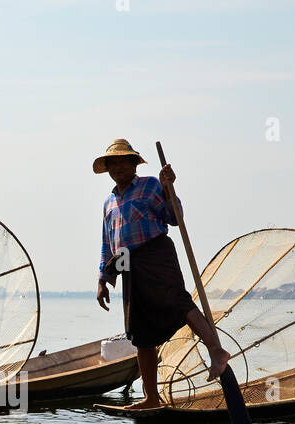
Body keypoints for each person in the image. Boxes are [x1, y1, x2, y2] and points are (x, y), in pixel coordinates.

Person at [93, 138, 229, 410]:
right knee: (140, 331)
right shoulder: (108, 203)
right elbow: (108, 243)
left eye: (123, 161)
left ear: (134, 164)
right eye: (112, 163)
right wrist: (103, 279)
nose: (117, 167)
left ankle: (216, 350)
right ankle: (151, 398)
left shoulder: (150, 186)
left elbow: (174, 218)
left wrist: (169, 189)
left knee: (177, 302)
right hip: (129, 264)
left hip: (156, 254)